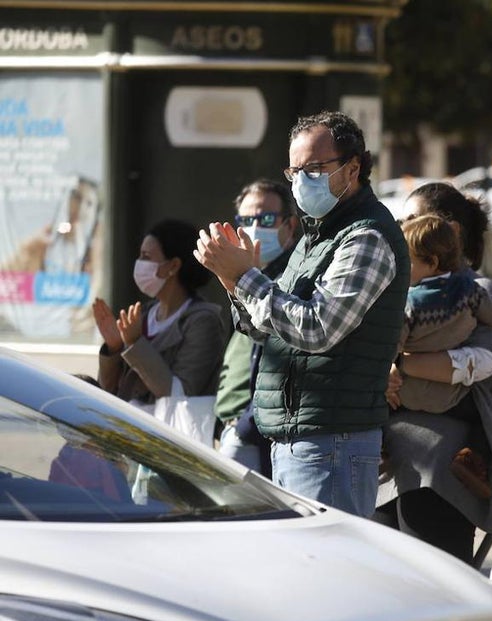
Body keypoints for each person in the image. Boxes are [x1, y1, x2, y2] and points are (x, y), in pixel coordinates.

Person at [194, 110, 408, 518]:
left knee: (331, 575)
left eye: (314, 168)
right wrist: (234, 283)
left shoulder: (367, 236)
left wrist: (244, 277)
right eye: (295, 172)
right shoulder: (315, 235)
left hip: (332, 442)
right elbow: (269, 330)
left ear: (353, 168)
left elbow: (317, 328)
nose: (302, 181)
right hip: (298, 439)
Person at [377, 182, 492, 563]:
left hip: (443, 471)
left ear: (448, 233)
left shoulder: (477, 290)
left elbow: (481, 364)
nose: (400, 230)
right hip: (384, 465)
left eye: (411, 220)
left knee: (434, 588)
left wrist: (399, 365)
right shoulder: (397, 290)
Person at [92, 219, 226, 412]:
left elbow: (179, 394)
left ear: (172, 266)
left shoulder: (203, 321)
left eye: (146, 256)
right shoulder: (143, 315)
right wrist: (114, 349)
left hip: (166, 436)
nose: (139, 263)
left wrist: (136, 344)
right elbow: (108, 390)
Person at [213, 179, 300, 476]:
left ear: (289, 227)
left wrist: (245, 426)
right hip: (231, 427)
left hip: (255, 434)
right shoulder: (241, 276)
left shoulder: (293, 280)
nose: (253, 227)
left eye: (265, 219)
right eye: (246, 220)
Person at [396, 213, 492, 414]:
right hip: (451, 395)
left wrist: (388, 374)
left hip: (407, 392)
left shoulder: (409, 303)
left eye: (406, 261)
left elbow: (390, 346)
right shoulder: (470, 291)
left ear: (432, 262)